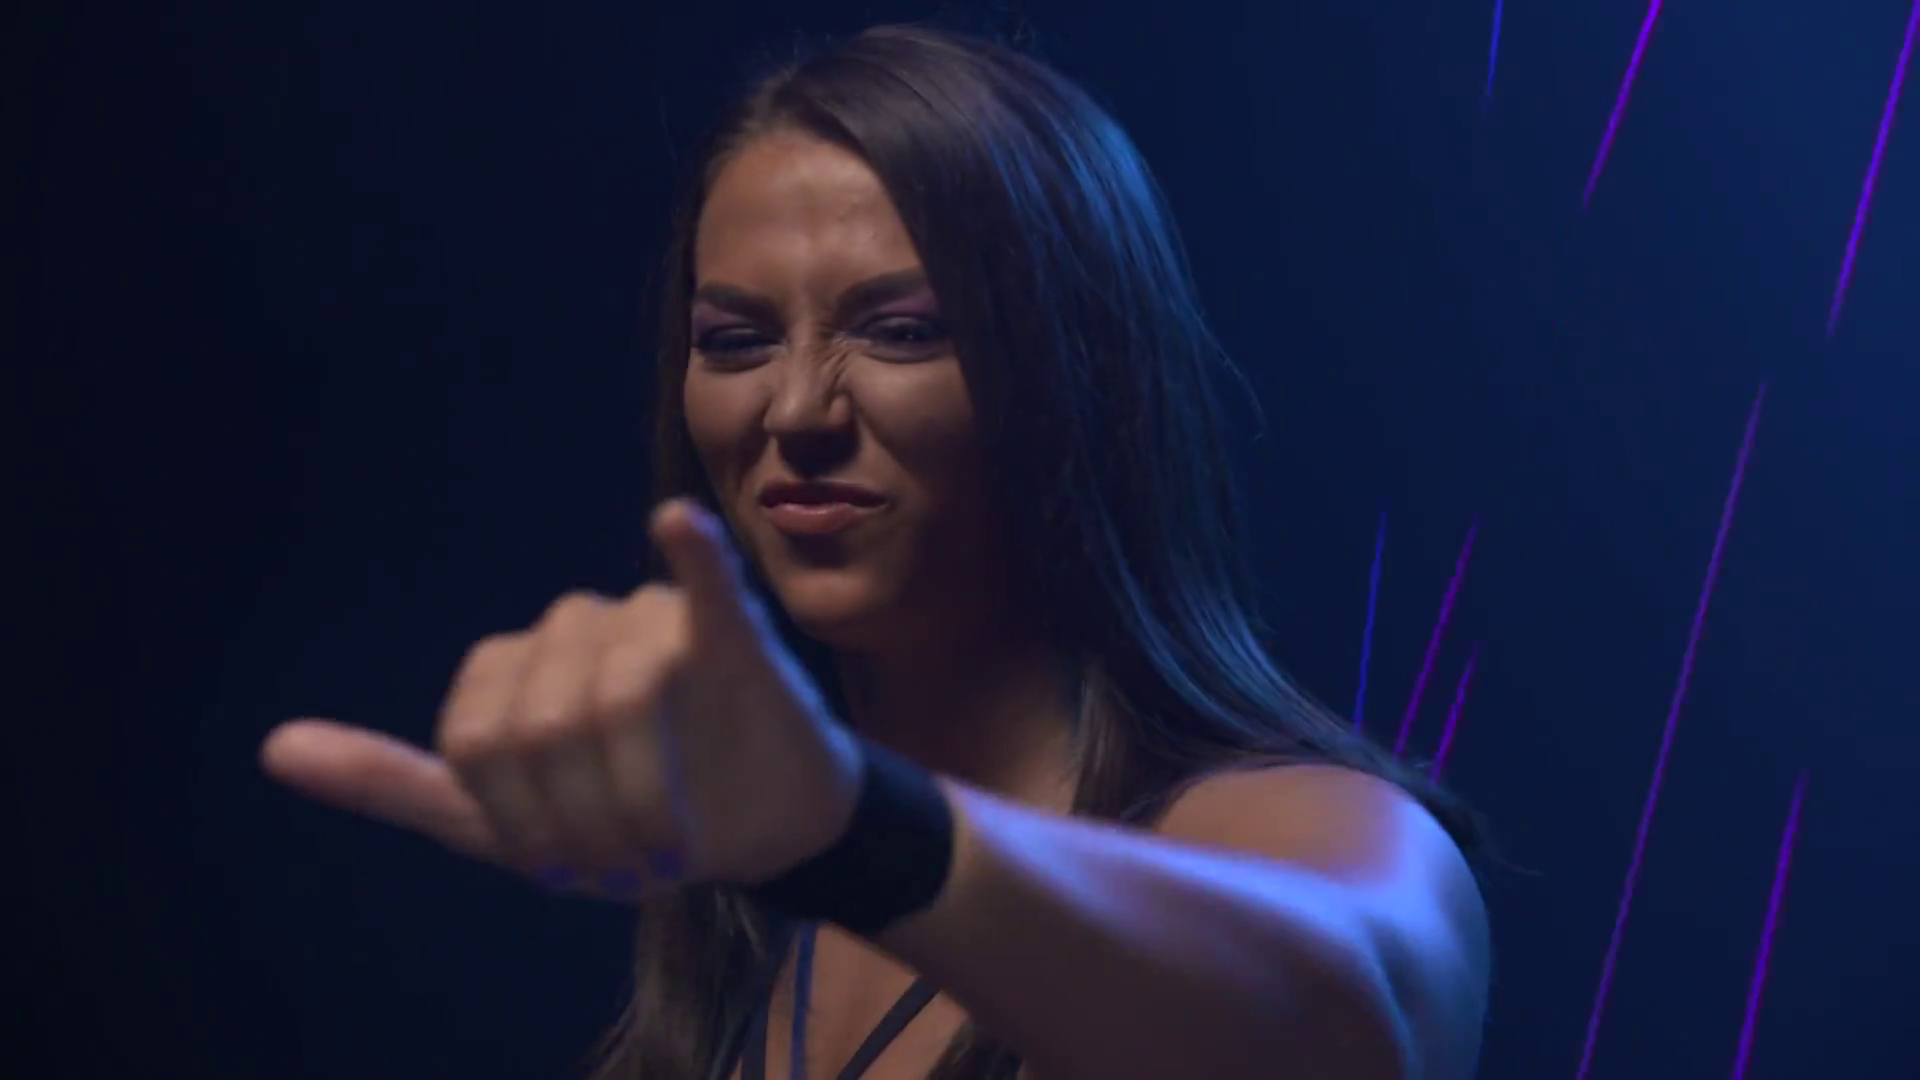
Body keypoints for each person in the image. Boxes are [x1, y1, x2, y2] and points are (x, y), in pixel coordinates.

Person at [260, 24, 1491, 1080]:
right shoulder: (733, 919)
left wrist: (855, 835)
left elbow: (1349, 1019)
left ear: (1077, 375)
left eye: (901, 331)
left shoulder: (1313, 826)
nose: (797, 410)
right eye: (735, 341)